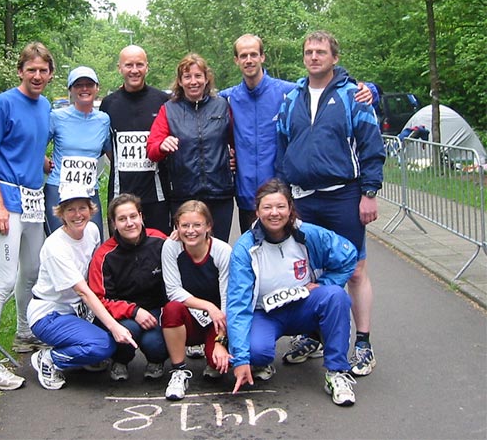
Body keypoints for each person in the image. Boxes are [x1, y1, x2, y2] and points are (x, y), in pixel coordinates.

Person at [275, 30, 386, 376]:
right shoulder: (292, 97)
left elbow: (371, 145)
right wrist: (283, 192)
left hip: (344, 195)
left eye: (320, 51)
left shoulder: (354, 95)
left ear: (334, 58)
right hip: (304, 197)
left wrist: (369, 193)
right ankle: (315, 335)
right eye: (308, 51)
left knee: (354, 270)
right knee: (307, 271)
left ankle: (363, 343)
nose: (313, 56)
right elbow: (283, 146)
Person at [219, 34, 373, 234]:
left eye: (253, 54)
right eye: (243, 56)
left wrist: (371, 90)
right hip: (247, 197)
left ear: (262, 57)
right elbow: (198, 106)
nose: (249, 60)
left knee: (290, 257)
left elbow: (326, 90)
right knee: (254, 258)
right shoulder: (228, 98)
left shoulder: (289, 93)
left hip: (283, 196)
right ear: (236, 60)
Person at [227, 179, 359, 406]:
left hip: (303, 306)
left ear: (290, 209)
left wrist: (326, 282)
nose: (274, 213)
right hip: (265, 313)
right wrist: (240, 359)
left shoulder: (308, 234)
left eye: (280, 207)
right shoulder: (244, 247)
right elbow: (237, 304)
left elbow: (348, 256)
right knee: (254, 353)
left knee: (336, 296)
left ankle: (336, 372)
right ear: (257, 211)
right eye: (267, 208)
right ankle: (261, 361)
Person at [0, 41, 55, 390]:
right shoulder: (2, 103)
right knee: (4, 280)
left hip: (34, 199)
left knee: (33, 271)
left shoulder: (45, 106)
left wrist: (41, 162)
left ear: (50, 74)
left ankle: (25, 330)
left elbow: (26, 145)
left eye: (43, 70)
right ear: (20, 71)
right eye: (31, 70)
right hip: (8, 200)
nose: (37, 76)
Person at [27, 186, 137, 390]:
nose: (77, 215)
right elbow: (83, 291)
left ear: (90, 209)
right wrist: (113, 326)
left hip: (78, 311)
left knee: (120, 328)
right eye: (70, 210)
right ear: (61, 213)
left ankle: (81, 351)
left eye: (82, 208)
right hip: (50, 314)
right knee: (103, 344)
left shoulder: (92, 231)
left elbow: (98, 271)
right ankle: (50, 358)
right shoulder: (56, 247)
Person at [147, 53, 234, 242]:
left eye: (198, 76)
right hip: (183, 195)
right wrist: (162, 146)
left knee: (218, 251)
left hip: (219, 194)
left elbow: (237, 141)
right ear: (179, 81)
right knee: (188, 252)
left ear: (206, 78)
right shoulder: (169, 109)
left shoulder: (221, 106)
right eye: (187, 77)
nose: (193, 81)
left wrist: (234, 159)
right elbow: (152, 150)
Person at [88, 193, 168, 381]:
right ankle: (120, 360)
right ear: (114, 224)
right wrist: (133, 311)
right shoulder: (104, 255)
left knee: (154, 343)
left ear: (141, 216)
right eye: (122, 219)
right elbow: (99, 299)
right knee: (129, 330)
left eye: (133, 216)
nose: (129, 223)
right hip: (122, 314)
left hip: (156, 310)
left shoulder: (161, 241)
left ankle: (156, 359)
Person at [160, 200, 232, 400]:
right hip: (189, 318)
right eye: (185, 225)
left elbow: (227, 297)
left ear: (208, 226)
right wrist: (208, 306)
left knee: (220, 364)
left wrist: (221, 340)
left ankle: (212, 355)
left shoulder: (222, 251)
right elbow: (173, 291)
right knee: (171, 308)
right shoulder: (171, 247)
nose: (190, 231)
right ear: (177, 227)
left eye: (197, 225)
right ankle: (179, 371)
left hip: (217, 320)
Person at [100, 45, 172, 234]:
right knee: (122, 254)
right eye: (128, 65)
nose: (134, 70)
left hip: (157, 196)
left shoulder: (163, 100)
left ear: (147, 67)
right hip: (120, 195)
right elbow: (107, 145)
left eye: (139, 65)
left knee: (159, 250)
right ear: (120, 68)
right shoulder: (109, 104)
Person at [44, 66, 111, 239]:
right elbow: (35, 146)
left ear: (97, 88)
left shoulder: (103, 120)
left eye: (89, 84)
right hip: (59, 188)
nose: (84, 89)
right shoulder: (56, 116)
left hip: (88, 191)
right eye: (78, 85)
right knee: (60, 243)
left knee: (93, 243)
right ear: (70, 90)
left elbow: (111, 153)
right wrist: (44, 162)